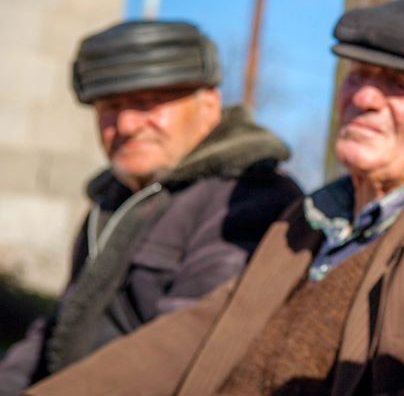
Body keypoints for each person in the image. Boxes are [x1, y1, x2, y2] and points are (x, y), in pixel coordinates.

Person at [26, 0, 404, 396]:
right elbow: (199, 331)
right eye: (359, 74)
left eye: (399, 84)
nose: (363, 97)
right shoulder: (307, 217)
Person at [0, 20, 302, 395]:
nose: (126, 124)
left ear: (208, 104)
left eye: (147, 104)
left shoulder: (247, 196)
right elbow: (61, 327)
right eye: (110, 106)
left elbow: (186, 344)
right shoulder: (113, 202)